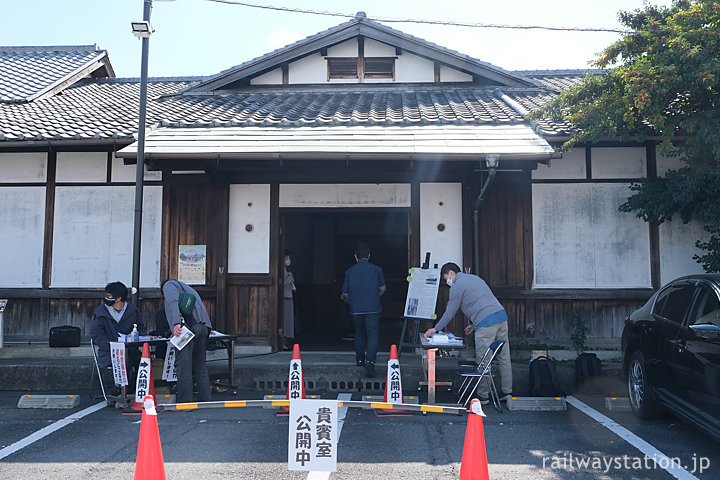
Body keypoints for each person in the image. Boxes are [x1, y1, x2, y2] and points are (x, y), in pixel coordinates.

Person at [425, 262, 513, 403]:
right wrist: (473, 324)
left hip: (486, 323)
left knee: (484, 360)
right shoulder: (475, 278)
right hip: (501, 317)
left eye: (446, 277)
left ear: (451, 273)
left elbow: (450, 311)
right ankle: (507, 392)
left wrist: (436, 329)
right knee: (503, 356)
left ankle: (483, 396)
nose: (447, 281)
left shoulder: (457, 286)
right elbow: (482, 301)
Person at [162, 279, 213, 403]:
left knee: (183, 367)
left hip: (187, 330)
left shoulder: (169, 285)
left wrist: (176, 323)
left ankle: (185, 403)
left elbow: (173, 302)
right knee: (200, 367)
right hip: (202, 328)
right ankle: (206, 400)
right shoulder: (190, 289)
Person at [90, 281, 146, 393]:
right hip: (109, 352)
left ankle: (131, 391)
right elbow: (96, 333)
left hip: (131, 350)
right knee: (126, 362)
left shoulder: (132, 310)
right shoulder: (101, 312)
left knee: (144, 362)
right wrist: (110, 345)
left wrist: (138, 338)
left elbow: (142, 328)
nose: (107, 297)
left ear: (118, 298)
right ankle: (121, 390)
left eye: (109, 295)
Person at [341, 242, 386, 378]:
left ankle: (360, 359)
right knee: (372, 334)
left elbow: (345, 294)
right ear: (369, 256)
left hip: (356, 309)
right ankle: (370, 361)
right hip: (373, 307)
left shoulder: (349, 271)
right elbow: (383, 289)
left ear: (355, 257)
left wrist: (353, 300)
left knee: (359, 333)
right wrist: (373, 296)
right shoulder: (377, 269)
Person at [282, 250, 296, 350]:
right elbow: (283, 282)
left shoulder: (285, 268)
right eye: (287, 258)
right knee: (285, 319)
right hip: (285, 296)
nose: (289, 260)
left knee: (287, 319)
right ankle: (283, 340)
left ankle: (286, 340)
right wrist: (290, 275)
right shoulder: (281, 269)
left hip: (287, 296)